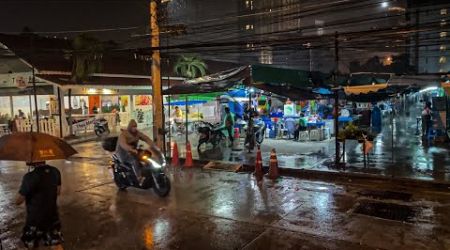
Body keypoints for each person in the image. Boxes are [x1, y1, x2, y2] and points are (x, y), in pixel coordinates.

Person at [16, 162, 63, 249]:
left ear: (34, 159)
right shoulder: (55, 171)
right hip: (52, 216)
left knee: (31, 245)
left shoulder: (29, 177)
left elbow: (18, 201)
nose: (26, 159)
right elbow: (58, 192)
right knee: (55, 243)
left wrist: (25, 186)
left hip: (35, 219)